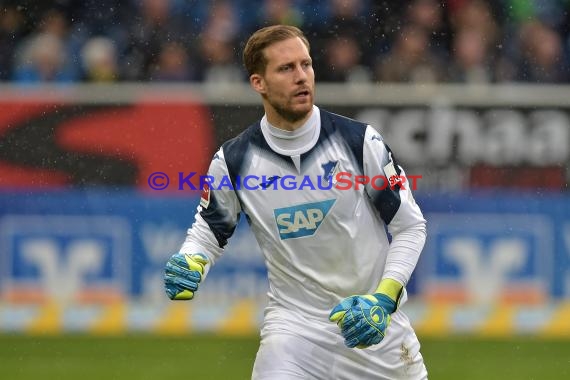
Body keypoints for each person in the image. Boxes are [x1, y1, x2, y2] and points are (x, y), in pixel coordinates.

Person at [164, 25, 428, 379]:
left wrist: (383, 299)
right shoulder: (234, 160)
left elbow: (410, 226)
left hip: (376, 333)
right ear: (258, 82)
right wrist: (191, 259)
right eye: (286, 69)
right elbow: (209, 230)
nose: (302, 77)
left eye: (306, 65)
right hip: (294, 334)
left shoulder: (360, 142)